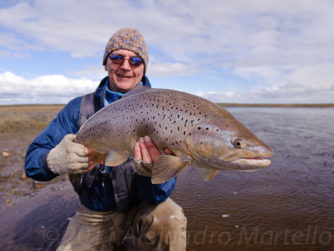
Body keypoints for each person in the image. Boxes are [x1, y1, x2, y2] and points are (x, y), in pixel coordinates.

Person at [25, 28, 187, 251]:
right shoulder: (77, 109)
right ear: (106, 63)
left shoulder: (165, 112)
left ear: (144, 67)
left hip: (142, 208)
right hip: (94, 214)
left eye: (135, 60)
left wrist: (153, 172)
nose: (126, 66)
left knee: (171, 218)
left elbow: (158, 195)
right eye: (117, 57)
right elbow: (32, 165)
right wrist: (52, 160)